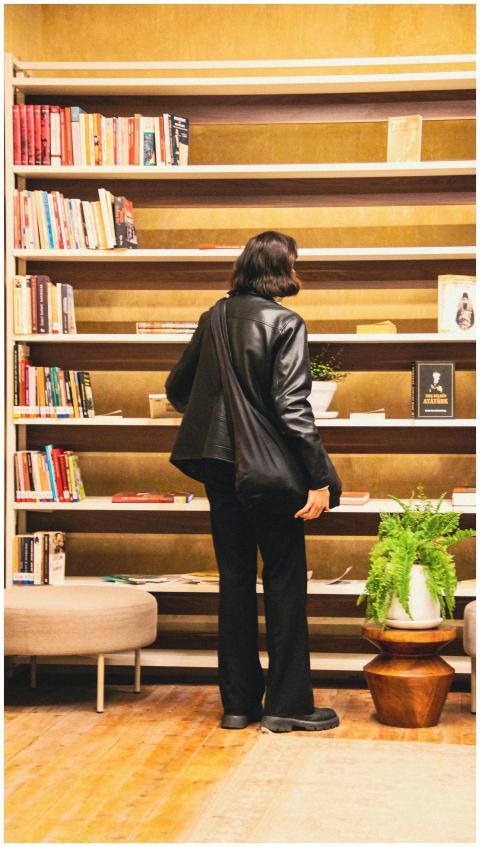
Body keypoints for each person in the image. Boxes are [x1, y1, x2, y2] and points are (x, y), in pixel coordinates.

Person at [165, 230, 340, 733]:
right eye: (295, 262)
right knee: (284, 581)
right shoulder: (286, 322)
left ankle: (238, 705)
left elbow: (177, 389)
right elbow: (293, 408)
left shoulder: (214, 317)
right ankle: (288, 705)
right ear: (282, 269)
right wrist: (319, 479)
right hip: (269, 472)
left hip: (219, 465)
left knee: (235, 579)